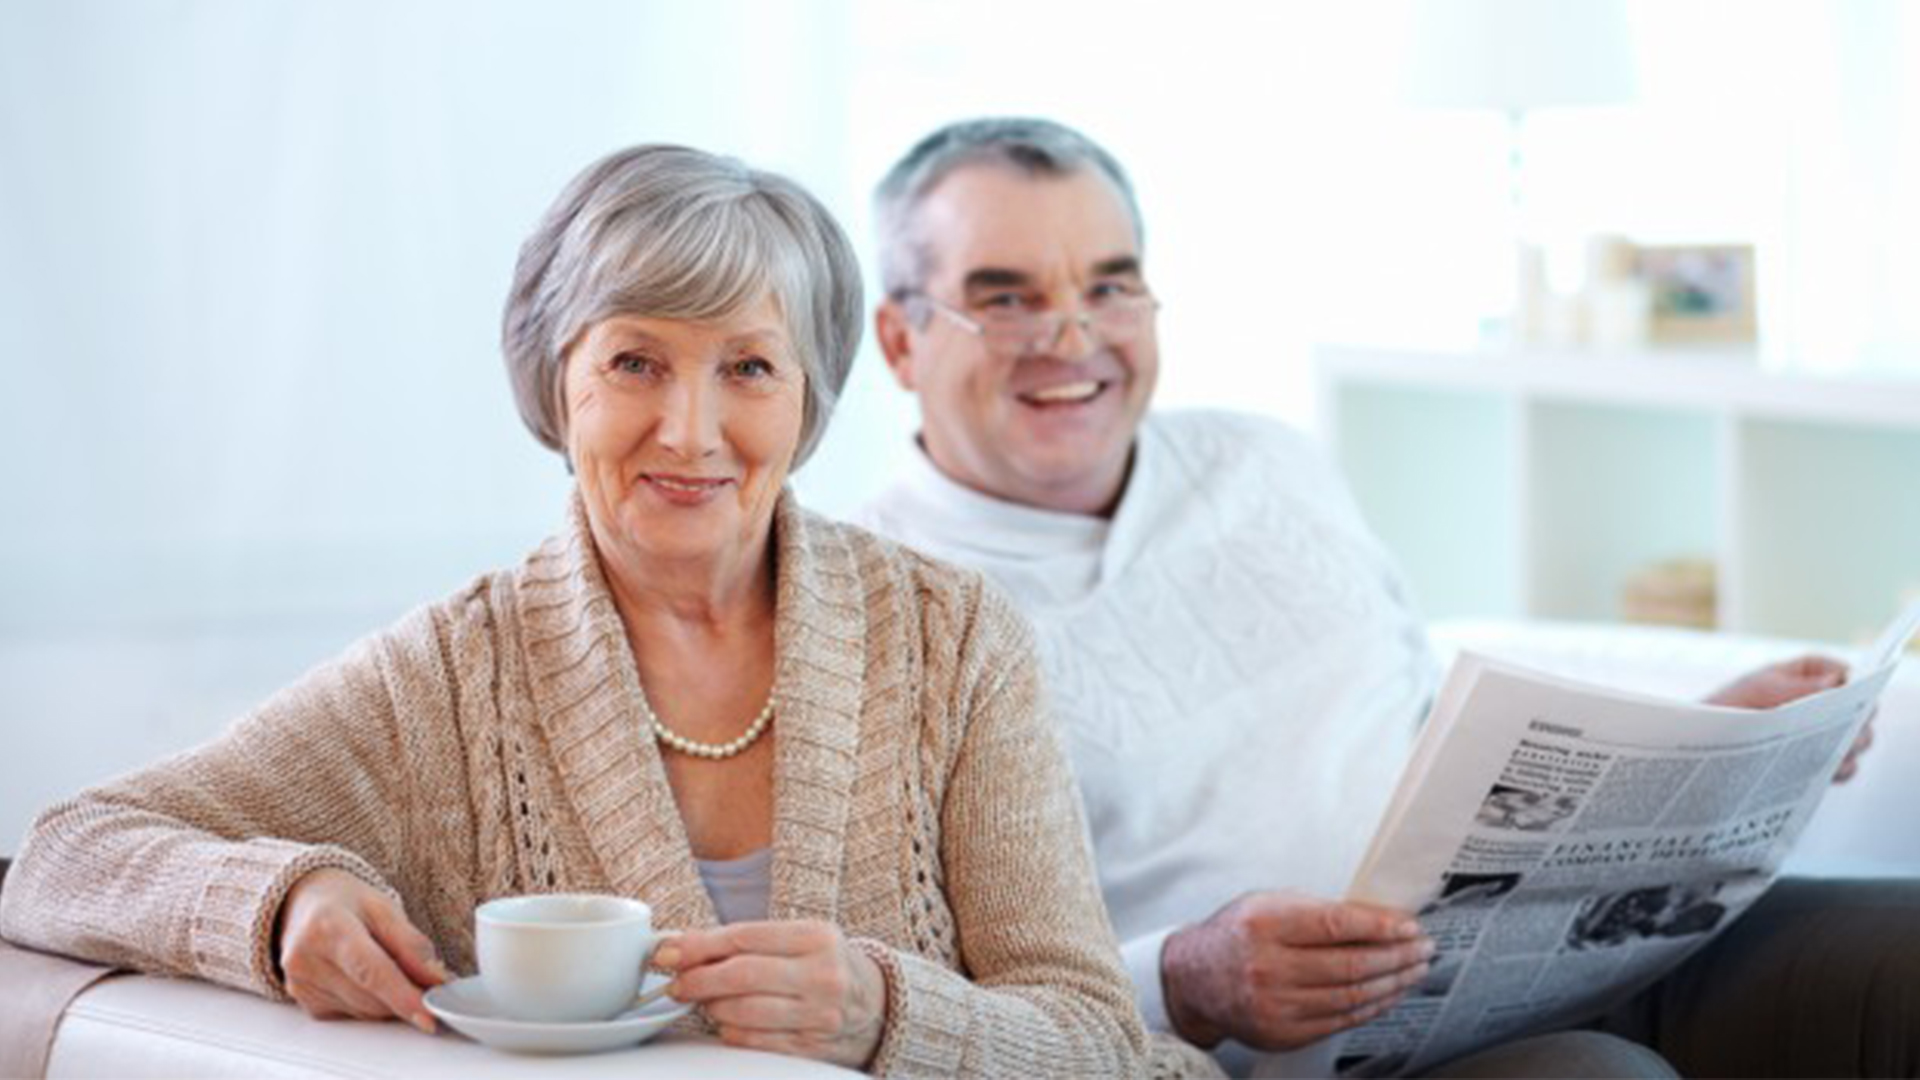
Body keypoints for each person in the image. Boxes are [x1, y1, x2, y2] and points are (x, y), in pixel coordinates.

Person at [0, 143, 1192, 1077]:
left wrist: (886, 1013)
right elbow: (58, 857)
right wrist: (276, 906)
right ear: (554, 378)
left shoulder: (951, 638)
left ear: (808, 397)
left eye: (748, 367)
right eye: (634, 362)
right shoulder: (445, 678)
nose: (691, 429)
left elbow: (1091, 1037)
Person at [859, 117, 1912, 1078]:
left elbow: (1435, 731)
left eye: (1110, 286)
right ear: (901, 340)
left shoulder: (1265, 460)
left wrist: (1704, 740)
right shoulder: (882, 611)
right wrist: (1185, 977)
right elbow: (918, 987)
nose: (1074, 337)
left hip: (1588, 952)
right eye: (1006, 298)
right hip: (1335, 1060)